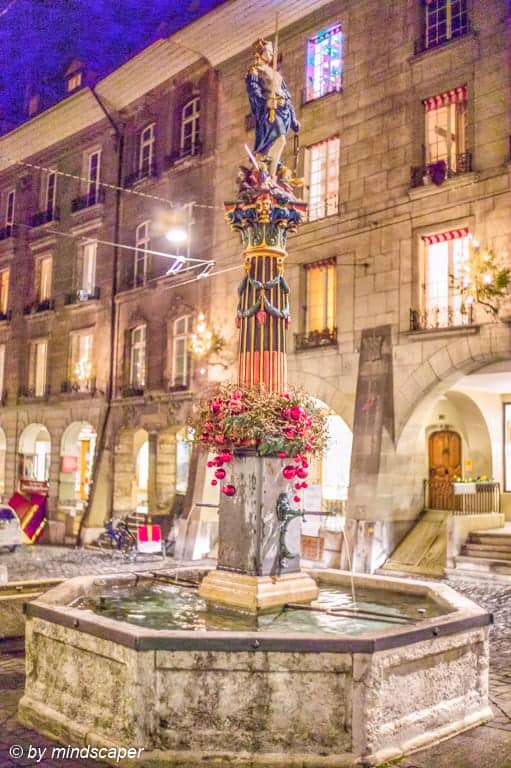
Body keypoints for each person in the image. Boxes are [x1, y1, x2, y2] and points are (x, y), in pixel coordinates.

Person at [246, 38, 300, 177]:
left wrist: (293, 119)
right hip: (269, 112)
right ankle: (268, 174)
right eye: (269, 52)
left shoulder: (276, 74)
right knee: (280, 140)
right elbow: (253, 93)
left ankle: (271, 174)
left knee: (280, 141)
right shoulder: (255, 71)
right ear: (260, 53)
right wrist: (266, 103)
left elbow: (287, 95)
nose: (271, 55)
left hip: (283, 111)